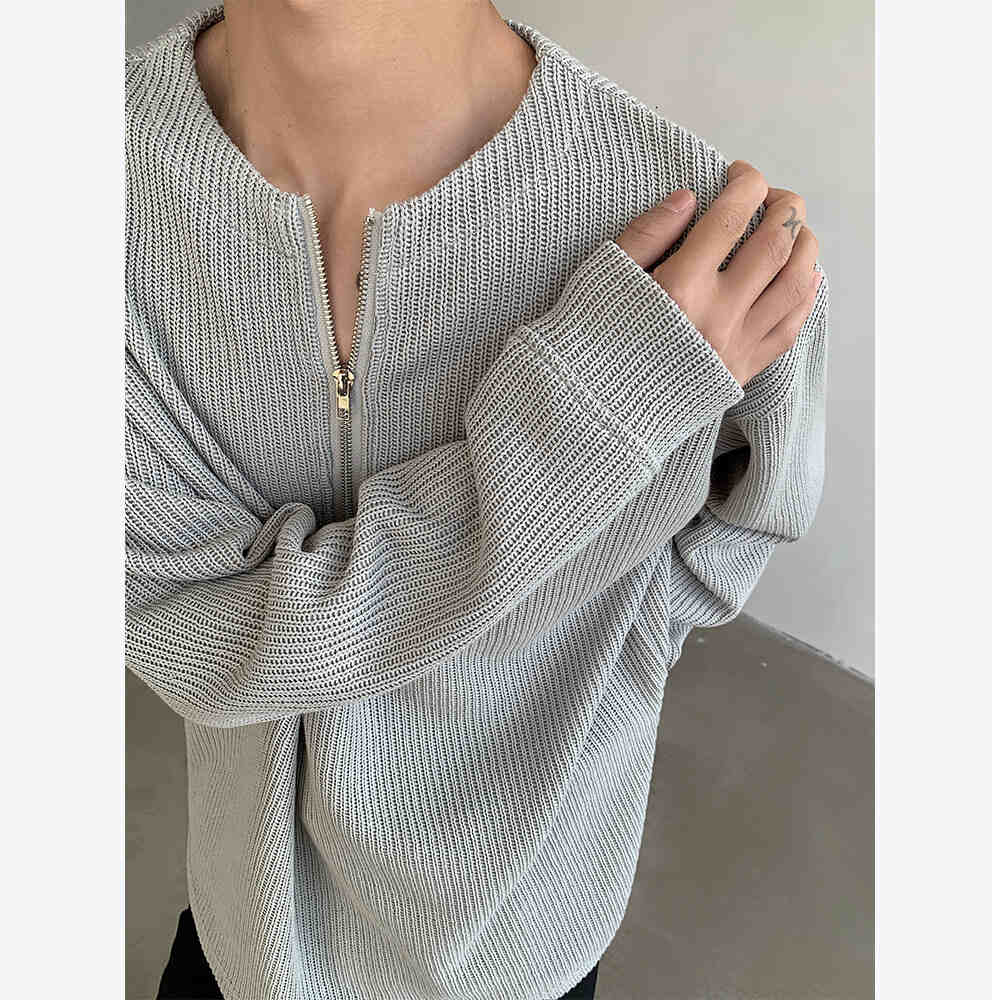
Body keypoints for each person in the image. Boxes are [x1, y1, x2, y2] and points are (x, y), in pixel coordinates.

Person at [125, 2, 827, 998]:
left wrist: (602, 644)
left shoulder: (717, 249)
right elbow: (190, 632)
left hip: (526, 942)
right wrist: (597, 417)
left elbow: (741, 529)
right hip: (249, 929)